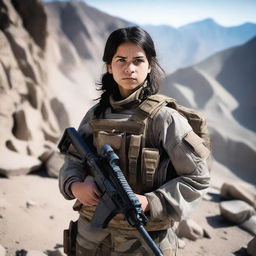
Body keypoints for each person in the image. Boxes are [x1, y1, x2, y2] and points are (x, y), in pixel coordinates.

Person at [59, 26, 211, 256]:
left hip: (144, 238)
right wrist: (75, 185)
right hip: (91, 237)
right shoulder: (95, 115)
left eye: (138, 61)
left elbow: (197, 178)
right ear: (109, 66)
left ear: (150, 66)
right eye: (121, 60)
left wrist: (150, 201)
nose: (129, 68)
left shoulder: (165, 119)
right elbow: (72, 161)